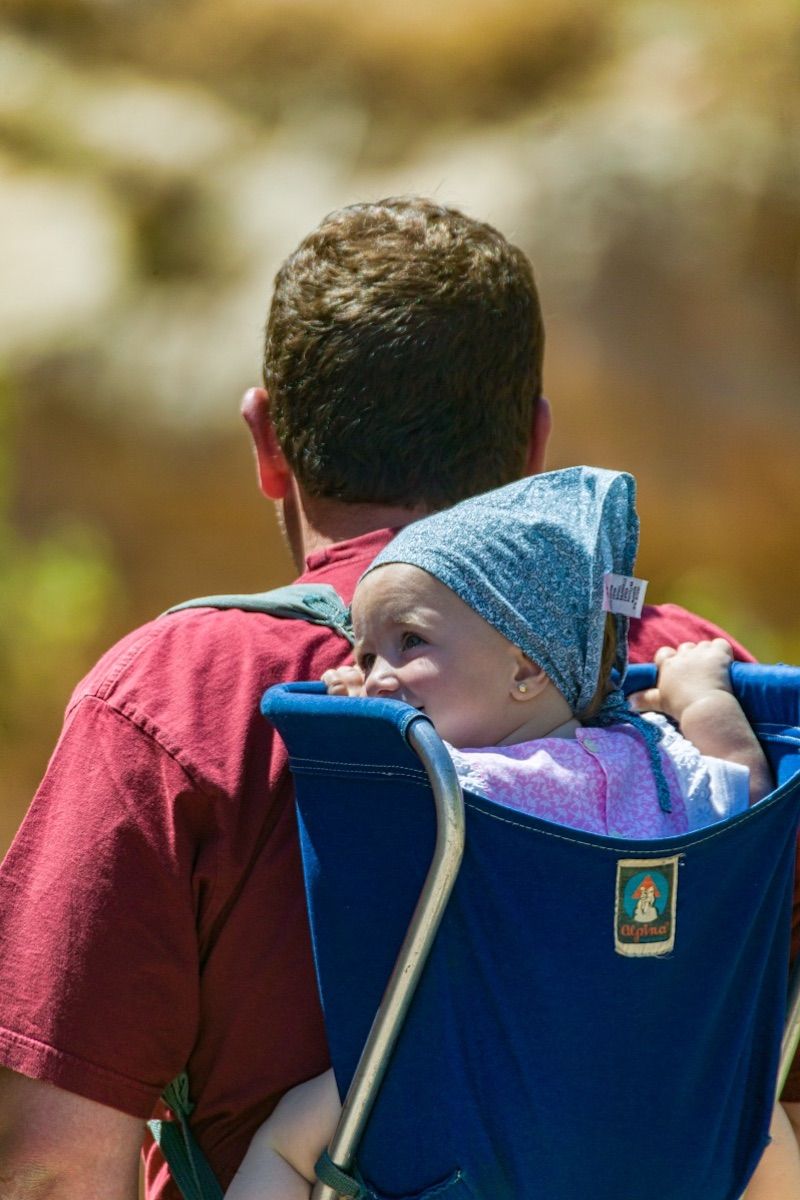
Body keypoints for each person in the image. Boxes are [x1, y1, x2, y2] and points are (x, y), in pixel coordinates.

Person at [0, 197, 793, 1200]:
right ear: (532, 448)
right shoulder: (699, 683)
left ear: (266, 443)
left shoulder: (173, 697)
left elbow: (53, 1166)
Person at [223, 467, 797, 1200]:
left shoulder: (449, 783)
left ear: (526, 667)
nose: (375, 678)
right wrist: (703, 699)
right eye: (366, 656)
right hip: (663, 1090)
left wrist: (363, 725)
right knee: (755, 1117)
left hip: (479, 1103)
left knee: (287, 1139)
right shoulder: (652, 761)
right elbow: (747, 797)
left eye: (409, 642)